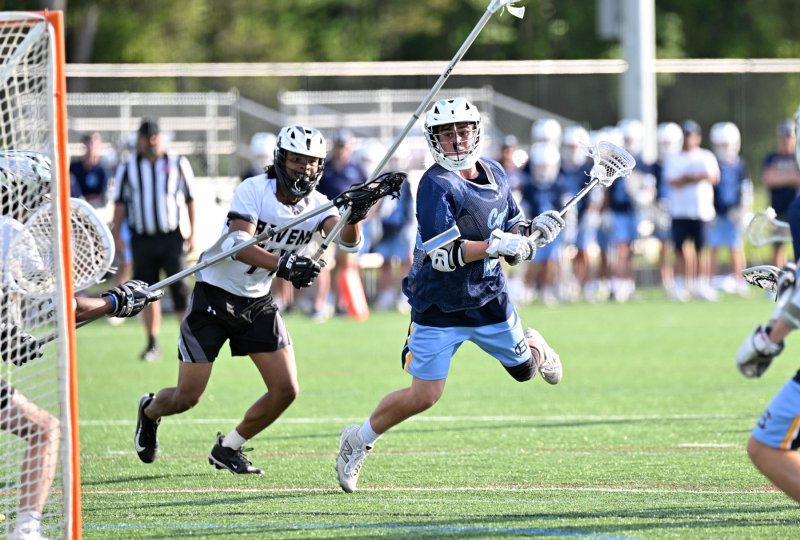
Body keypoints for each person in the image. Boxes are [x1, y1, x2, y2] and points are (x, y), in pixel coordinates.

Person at [335, 97, 566, 493]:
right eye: (447, 133)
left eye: (463, 131)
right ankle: (358, 439)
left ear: (476, 132)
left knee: (525, 371)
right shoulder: (436, 184)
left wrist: (534, 231)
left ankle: (535, 345)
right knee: (425, 395)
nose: (457, 140)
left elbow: (511, 223)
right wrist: (498, 246)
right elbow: (444, 255)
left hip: (488, 298)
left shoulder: (495, 171)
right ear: (434, 138)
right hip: (438, 303)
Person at [134, 124, 365, 475]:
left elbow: (348, 241)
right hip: (214, 296)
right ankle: (150, 410)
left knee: (286, 389)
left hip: (257, 301)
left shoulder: (319, 204)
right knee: (187, 397)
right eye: (296, 160)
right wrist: (283, 265)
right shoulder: (254, 189)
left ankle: (228, 447)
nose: (303, 169)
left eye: (311, 163)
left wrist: (355, 214)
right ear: (280, 159)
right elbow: (237, 243)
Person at [1, 150, 162, 540]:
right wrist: (114, 302)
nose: (43, 202)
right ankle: (26, 530)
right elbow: (60, 308)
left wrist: (10, 337)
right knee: (44, 430)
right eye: (38, 193)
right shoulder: (11, 232)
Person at [111, 118, 196, 361]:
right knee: (146, 292)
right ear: (138, 140)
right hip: (142, 238)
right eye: (145, 138)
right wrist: (117, 234)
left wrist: (193, 232)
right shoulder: (128, 167)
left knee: (180, 290)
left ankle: (189, 341)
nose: (150, 142)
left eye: (154, 137)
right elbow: (120, 203)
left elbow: (190, 198)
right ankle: (151, 343)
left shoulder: (177, 162)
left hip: (171, 237)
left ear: (160, 138)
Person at [313, 128, 369, 320]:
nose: (340, 150)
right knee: (323, 262)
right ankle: (321, 304)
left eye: (343, 146)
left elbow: (370, 194)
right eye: (338, 146)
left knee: (345, 265)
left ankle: (341, 303)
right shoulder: (325, 168)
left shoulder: (357, 169)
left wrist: (364, 217)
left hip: (349, 222)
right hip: (326, 221)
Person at [663, 120, 720, 302]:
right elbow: (673, 181)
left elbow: (713, 177)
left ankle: (701, 284)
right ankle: (681, 284)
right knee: (680, 249)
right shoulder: (674, 158)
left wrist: (689, 177)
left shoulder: (706, 156)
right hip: (680, 211)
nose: (689, 139)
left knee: (701, 249)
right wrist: (693, 177)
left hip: (702, 211)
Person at [707, 121, 751, 295]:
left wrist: (743, 209)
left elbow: (745, 187)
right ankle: (710, 280)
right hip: (717, 212)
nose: (724, 148)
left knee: (735, 247)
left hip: (734, 213)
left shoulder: (740, 164)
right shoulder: (713, 162)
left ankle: (739, 280)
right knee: (714, 247)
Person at [762, 119, 800, 268]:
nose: (785, 139)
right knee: (777, 246)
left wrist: (780, 176)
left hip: (795, 208)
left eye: (788, 135)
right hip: (777, 208)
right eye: (783, 136)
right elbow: (769, 179)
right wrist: (791, 177)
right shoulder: (771, 157)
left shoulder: (797, 157)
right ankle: (777, 277)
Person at [69, 131, 110, 209]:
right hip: (76, 209)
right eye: (89, 144)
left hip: (97, 210)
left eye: (93, 144)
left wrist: (86, 201)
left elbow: (103, 197)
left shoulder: (103, 170)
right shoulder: (74, 168)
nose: (91, 148)